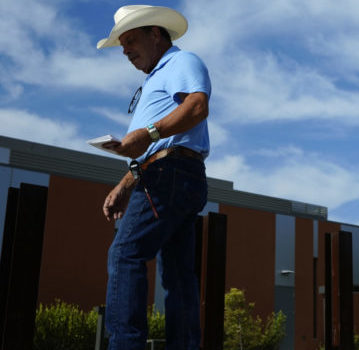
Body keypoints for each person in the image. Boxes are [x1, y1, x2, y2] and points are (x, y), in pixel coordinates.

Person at [97, 5, 211, 350]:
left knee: (125, 254)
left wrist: (147, 133)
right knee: (177, 274)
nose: (126, 50)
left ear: (156, 34)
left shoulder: (181, 62)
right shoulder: (154, 80)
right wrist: (124, 185)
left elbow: (196, 107)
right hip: (171, 173)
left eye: (131, 40)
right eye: (122, 46)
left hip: (171, 173)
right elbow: (152, 149)